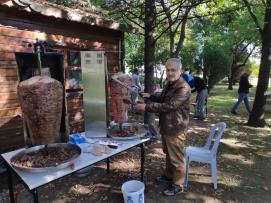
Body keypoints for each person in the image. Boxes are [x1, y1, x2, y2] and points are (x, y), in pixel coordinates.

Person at [136, 58, 191, 196]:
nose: (170, 73)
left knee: (177, 159)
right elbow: (163, 98)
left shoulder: (183, 88)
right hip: (167, 126)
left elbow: (170, 105)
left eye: (173, 70)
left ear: (180, 71)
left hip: (176, 128)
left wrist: (147, 107)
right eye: (168, 70)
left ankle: (178, 185)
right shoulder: (170, 84)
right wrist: (150, 96)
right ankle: (168, 175)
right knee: (168, 154)